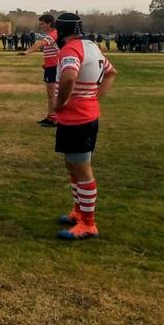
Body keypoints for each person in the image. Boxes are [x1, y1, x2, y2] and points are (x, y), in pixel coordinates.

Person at [51, 12, 118, 241]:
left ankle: (88, 224)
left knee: (82, 168)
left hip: (77, 119)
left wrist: (60, 103)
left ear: (61, 31)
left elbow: (69, 77)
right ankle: (79, 212)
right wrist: (95, 97)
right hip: (84, 116)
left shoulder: (71, 49)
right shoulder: (91, 46)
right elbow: (110, 73)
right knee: (73, 166)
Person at [23, 14, 61, 126]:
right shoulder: (51, 34)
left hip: (54, 68)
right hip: (50, 67)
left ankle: (54, 119)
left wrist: (27, 52)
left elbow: (40, 44)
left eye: (42, 24)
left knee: (53, 94)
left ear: (49, 23)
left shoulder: (53, 34)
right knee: (51, 95)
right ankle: (50, 117)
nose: (41, 26)